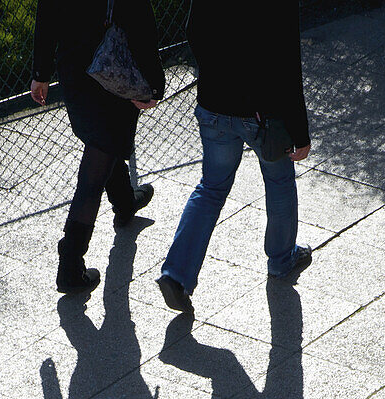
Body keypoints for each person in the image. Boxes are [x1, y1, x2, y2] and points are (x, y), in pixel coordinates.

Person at [157, 0, 312, 313]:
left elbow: (193, 30)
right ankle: (281, 259)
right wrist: (300, 131)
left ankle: (176, 273)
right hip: (262, 113)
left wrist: (216, 73)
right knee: (279, 180)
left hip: (213, 104)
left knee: (211, 187)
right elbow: (287, 60)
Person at [31, 0, 165, 293]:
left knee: (102, 143)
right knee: (93, 172)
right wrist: (154, 84)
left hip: (74, 70)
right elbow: (140, 21)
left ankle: (125, 201)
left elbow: (47, 15)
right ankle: (70, 263)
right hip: (112, 67)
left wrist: (40, 72)